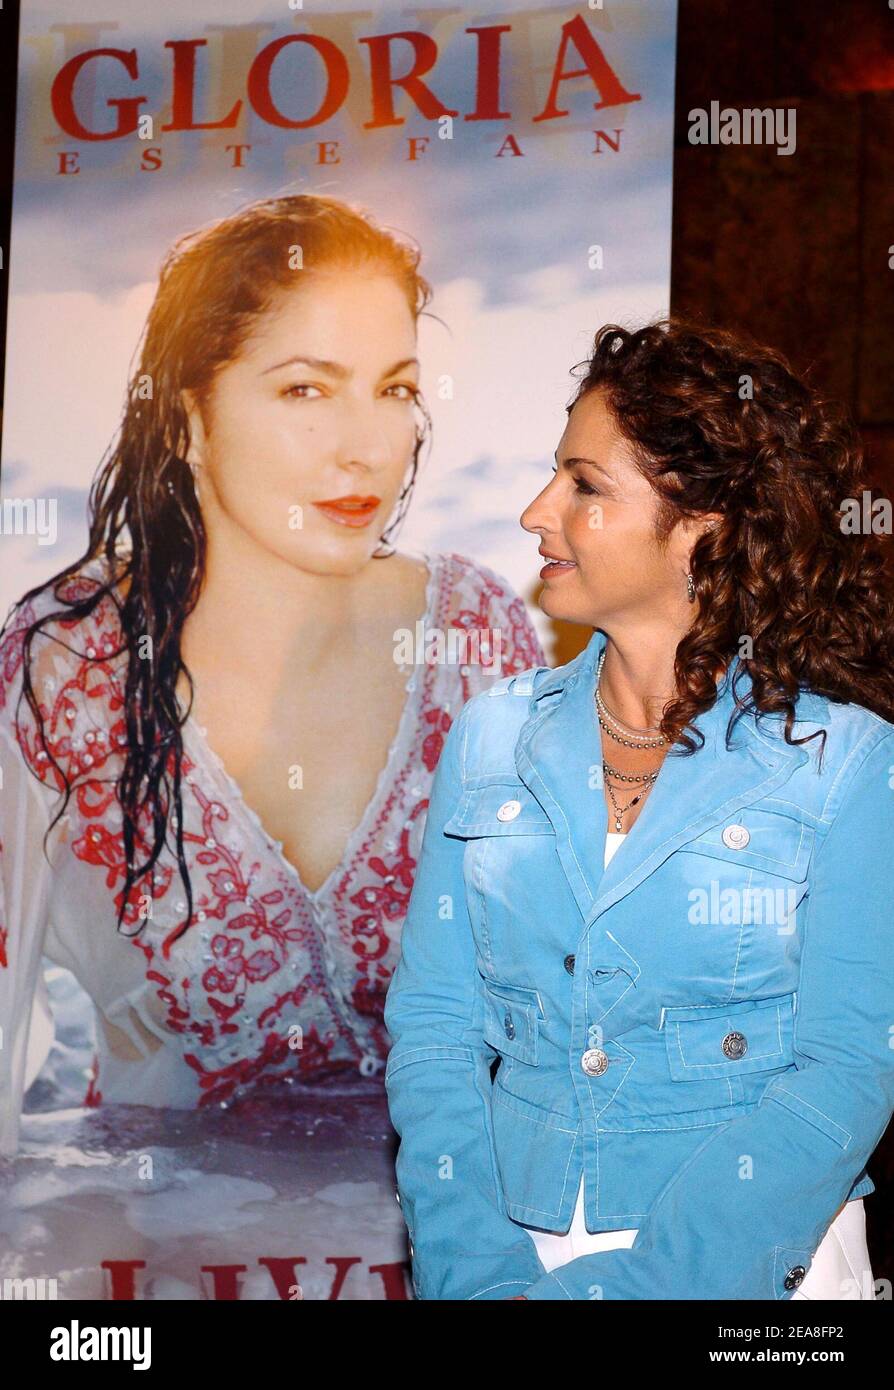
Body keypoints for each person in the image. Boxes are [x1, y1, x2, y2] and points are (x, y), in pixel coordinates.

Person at [0, 193, 543, 1154]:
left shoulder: (474, 637)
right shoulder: (68, 662)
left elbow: (557, 1007)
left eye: (395, 389)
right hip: (162, 1260)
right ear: (186, 418)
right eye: (305, 389)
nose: (367, 444)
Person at [383, 318, 894, 1300]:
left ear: (697, 526)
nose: (538, 512)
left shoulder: (845, 763)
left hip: (764, 1275)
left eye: (583, 484)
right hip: (512, 1269)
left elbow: (845, 1074)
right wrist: (472, 1274)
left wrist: (643, 1289)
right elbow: (437, 1034)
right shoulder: (489, 739)